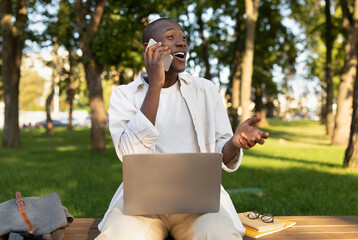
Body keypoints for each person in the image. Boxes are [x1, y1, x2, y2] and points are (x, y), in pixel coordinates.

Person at [96, 18, 269, 240]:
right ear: (148, 48)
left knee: (220, 234)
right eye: (171, 37)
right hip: (142, 209)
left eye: (183, 38)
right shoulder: (124, 95)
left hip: (199, 207)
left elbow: (220, 156)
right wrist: (155, 85)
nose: (181, 43)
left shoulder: (206, 90)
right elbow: (130, 154)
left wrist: (234, 143)